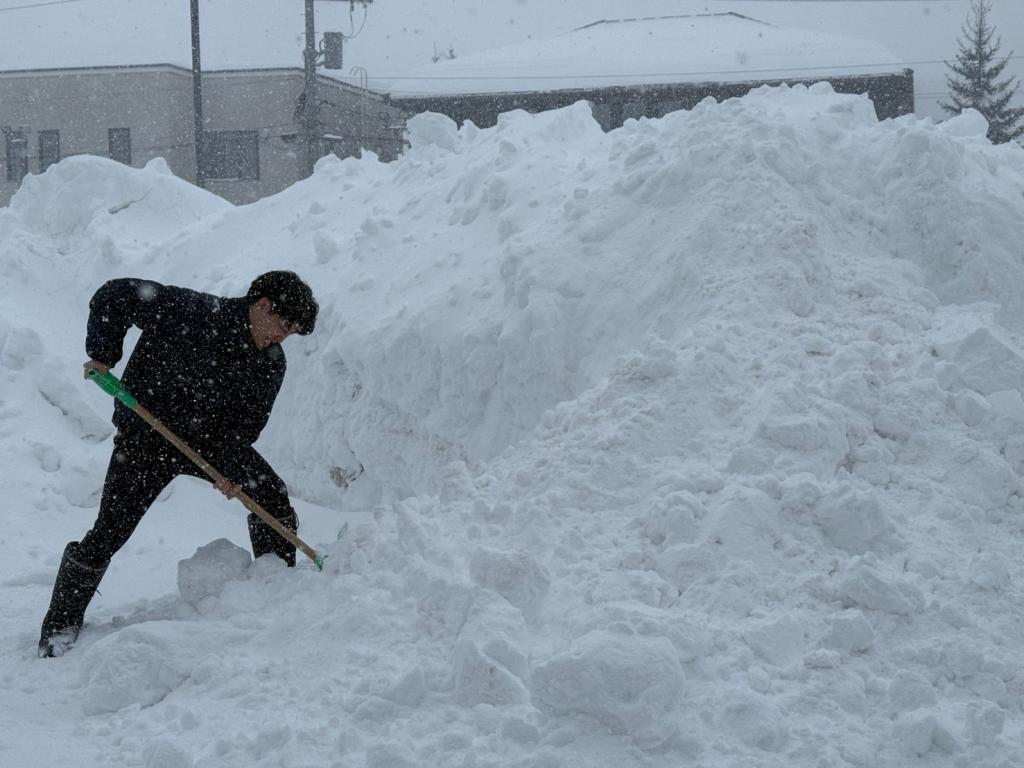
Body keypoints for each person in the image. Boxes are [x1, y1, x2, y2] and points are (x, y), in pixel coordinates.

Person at [38, 271, 318, 658]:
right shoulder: (191, 311)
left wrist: (232, 471)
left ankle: (275, 590)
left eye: (292, 333)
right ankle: (60, 625)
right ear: (263, 305)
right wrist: (103, 354)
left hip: (209, 446)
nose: (283, 338)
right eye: (284, 326)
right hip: (145, 439)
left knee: (270, 494)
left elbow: (246, 426)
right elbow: (115, 295)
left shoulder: (270, 363)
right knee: (109, 531)